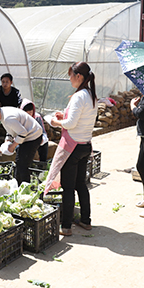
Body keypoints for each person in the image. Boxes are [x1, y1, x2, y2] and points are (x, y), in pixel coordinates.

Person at [48, 61, 98, 236]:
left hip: (73, 147)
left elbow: (71, 124)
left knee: (68, 188)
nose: (69, 79)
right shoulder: (91, 95)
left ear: (79, 77)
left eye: (71, 75)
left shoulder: (79, 96)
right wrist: (65, 116)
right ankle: (86, 220)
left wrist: (55, 122)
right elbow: (81, 119)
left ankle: (66, 226)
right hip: (85, 145)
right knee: (81, 185)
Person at [0, 100, 42, 186]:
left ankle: (27, 189)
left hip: (33, 136)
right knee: (19, 162)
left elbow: (22, 133)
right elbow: (11, 130)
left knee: (22, 165)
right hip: (27, 136)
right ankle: (18, 185)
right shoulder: (3, 115)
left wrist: (13, 146)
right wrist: (7, 140)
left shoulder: (7, 118)